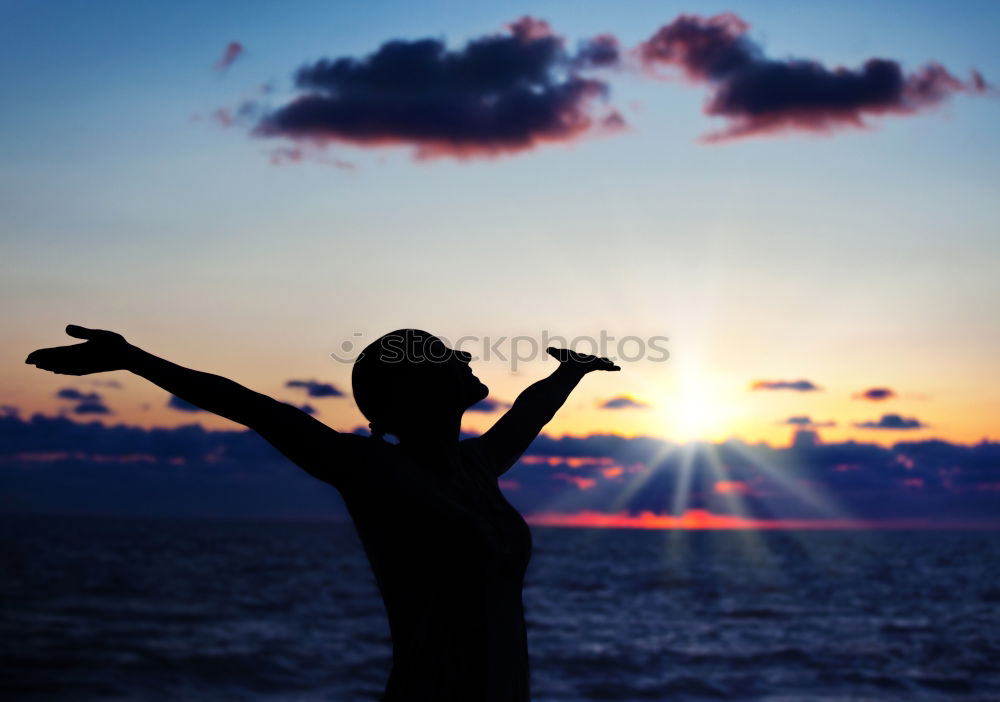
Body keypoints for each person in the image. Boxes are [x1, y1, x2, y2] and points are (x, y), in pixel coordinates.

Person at [25, 325, 620, 701]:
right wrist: (134, 359)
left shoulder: (476, 467)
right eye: (442, 355)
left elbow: (529, 412)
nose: (463, 355)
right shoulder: (371, 470)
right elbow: (252, 406)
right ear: (411, 388)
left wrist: (569, 370)